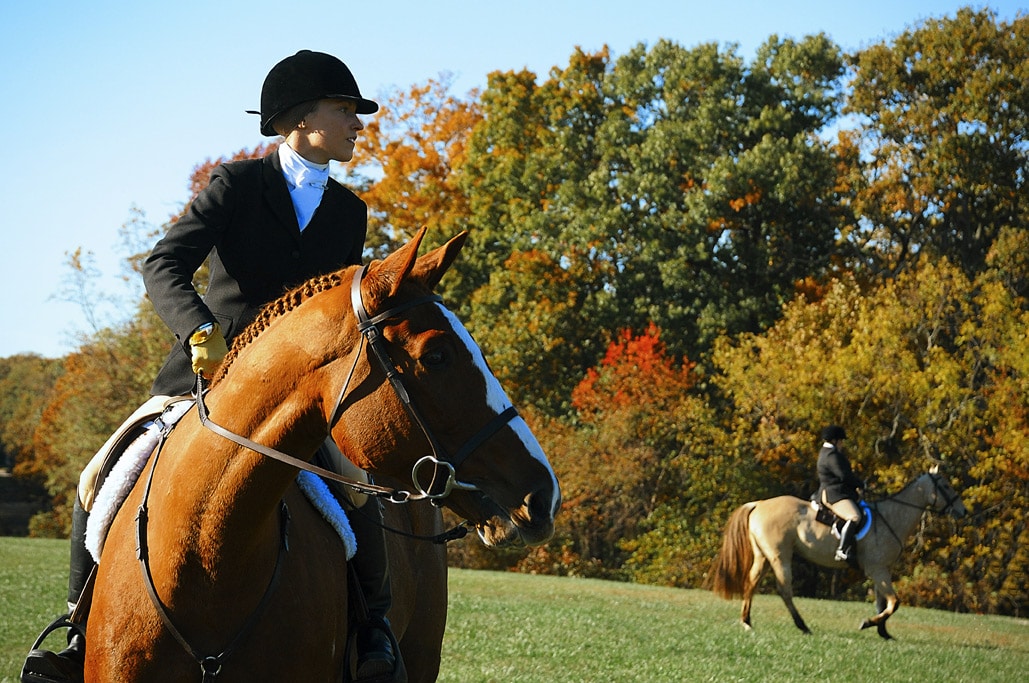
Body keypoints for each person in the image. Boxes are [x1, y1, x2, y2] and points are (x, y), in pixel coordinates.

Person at [23, 50, 399, 683]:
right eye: (345, 112)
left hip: (295, 397)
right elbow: (162, 264)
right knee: (102, 478)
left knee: (356, 490)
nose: (357, 124)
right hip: (200, 377)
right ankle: (75, 628)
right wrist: (199, 328)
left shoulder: (349, 212)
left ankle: (374, 629)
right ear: (300, 119)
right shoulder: (235, 185)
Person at [816, 425, 865, 562]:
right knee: (855, 516)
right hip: (834, 494)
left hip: (834, 491)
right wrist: (861, 484)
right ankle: (842, 549)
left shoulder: (825, 452)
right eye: (841, 441)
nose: (842, 444)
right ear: (835, 441)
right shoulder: (832, 456)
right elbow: (844, 476)